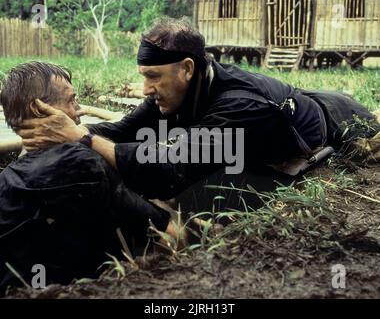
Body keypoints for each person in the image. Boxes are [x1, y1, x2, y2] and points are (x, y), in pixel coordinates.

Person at [17, 18, 379, 204]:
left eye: (154, 77)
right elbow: (123, 130)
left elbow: (172, 172)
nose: (146, 90)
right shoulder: (176, 89)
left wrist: (81, 137)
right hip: (297, 98)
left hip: (340, 116)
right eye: (143, 77)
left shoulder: (237, 106)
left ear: (187, 69)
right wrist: (53, 136)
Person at [0, 62, 182, 294]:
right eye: (71, 100)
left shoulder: (13, 175)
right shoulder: (75, 160)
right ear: (40, 109)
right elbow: (168, 232)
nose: (79, 111)